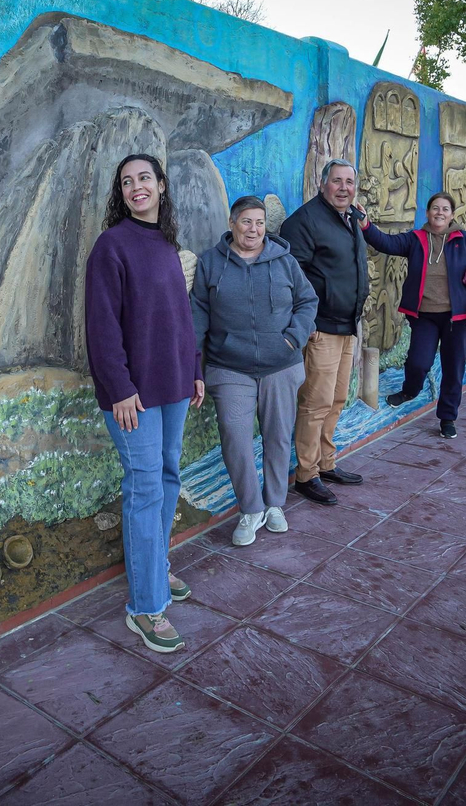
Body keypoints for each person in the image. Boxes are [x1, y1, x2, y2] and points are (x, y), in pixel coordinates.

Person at [85, 153, 205, 654]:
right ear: (122, 192)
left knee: (169, 474)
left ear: (160, 186)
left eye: (144, 179)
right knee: (144, 489)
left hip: (174, 383)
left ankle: (156, 569)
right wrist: (119, 389)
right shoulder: (111, 246)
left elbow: (180, 318)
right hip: (133, 393)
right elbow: (101, 325)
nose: (137, 187)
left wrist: (195, 369)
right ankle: (145, 607)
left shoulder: (165, 243)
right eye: (127, 181)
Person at [191, 196, 318, 547]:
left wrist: (293, 339)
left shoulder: (284, 261)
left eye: (259, 222)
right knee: (235, 435)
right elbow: (197, 315)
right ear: (232, 223)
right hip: (229, 366)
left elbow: (308, 302)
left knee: (278, 435)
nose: (254, 229)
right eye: (246, 221)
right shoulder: (211, 263)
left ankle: (275, 503)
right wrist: (192, 364)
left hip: (281, 365)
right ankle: (251, 508)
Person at [360, 190, 466, 438]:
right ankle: (410, 390)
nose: (440, 213)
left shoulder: (463, 241)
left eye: (445, 209)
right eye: (435, 208)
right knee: (418, 362)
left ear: (452, 215)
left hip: (459, 318)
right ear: (427, 212)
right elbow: (386, 244)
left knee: (453, 368)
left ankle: (447, 417)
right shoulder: (416, 239)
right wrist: (366, 225)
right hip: (425, 316)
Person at [280, 160, 370, 505]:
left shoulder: (349, 219)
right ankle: (306, 474)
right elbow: (292, 276)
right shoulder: (304, 222)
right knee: (315, 404)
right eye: (337, 181)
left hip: (347, 327)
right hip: (321, 328)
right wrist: (309, 324)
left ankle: (326, 463)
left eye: (349, 182)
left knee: (336, 400)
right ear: (323, 184)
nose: (344, 187)